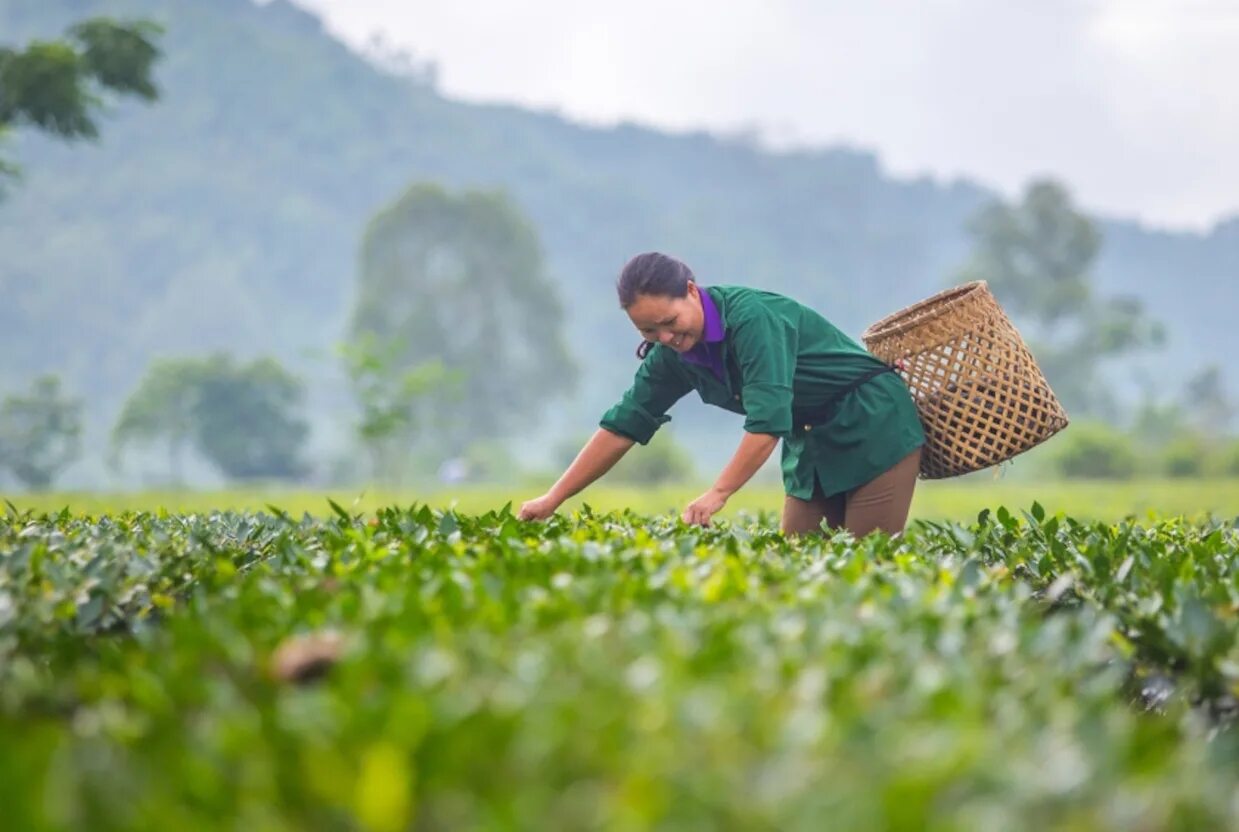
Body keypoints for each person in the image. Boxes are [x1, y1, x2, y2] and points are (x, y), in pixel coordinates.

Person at [518, 252, 926, 536]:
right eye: (647, 331)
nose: (664, 337)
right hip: (811, 438)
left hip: (873, 423)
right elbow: (623, 424)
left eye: (669, 321)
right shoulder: (671, 354)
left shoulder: (753, 320)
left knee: (865, 564)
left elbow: (766, 425)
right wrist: (553, 497)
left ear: (692, 293)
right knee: (799, 563)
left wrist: (719, 492)